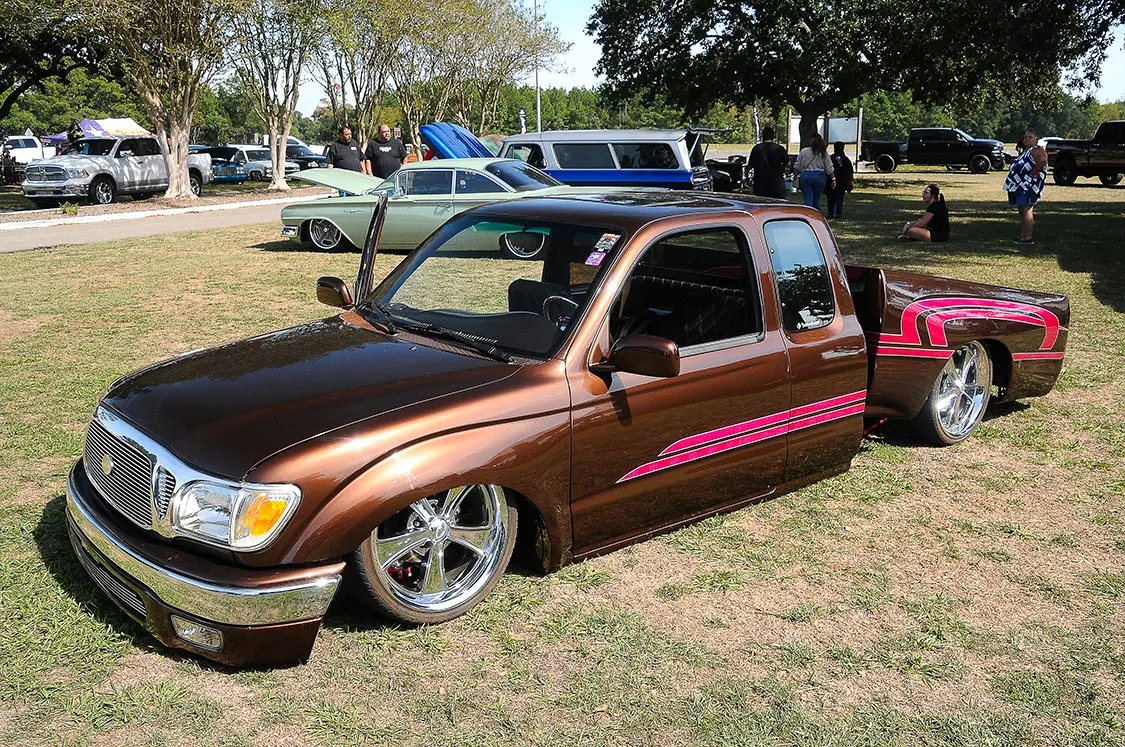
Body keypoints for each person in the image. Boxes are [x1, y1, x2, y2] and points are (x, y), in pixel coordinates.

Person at [1004, 128, 1047, 245]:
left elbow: (1043, 160)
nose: (1027, 139)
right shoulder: (1027, 151)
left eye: (1030, 137)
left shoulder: (1037, 149)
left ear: (1036, 139)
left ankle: (1027, 237)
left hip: (1028, 186)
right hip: (1019, 186)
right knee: (1022, 210)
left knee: (1026, 209)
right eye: (1025, 137)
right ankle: (1023, 235)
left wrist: (1035, 171)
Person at [793, 135, 835, 211]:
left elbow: (797, 166)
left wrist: (795, 176)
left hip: (806, 176)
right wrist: (833, 178)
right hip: (820, 177)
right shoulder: (823, 152)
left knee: (808, 197)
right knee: (817, 199)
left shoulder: (804, 151)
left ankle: (807, 212)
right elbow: (829, 167)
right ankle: (815, 212)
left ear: (810, 141)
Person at [748, 126, 788, 198]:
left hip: (760, 184)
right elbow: (788, 163)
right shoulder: (779, 149)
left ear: (763, 136)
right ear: (773, 137)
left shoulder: (756, 149)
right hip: (776, 184)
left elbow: (750, 165)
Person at [826, 141, 854, 219]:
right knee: (840, 198)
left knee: (831, 198)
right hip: (843, 182)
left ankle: (831, 213)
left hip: (832, 181)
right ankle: (838, 213)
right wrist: (850, 182)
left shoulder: (830, 158)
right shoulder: (846, 159)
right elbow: (850, 172)